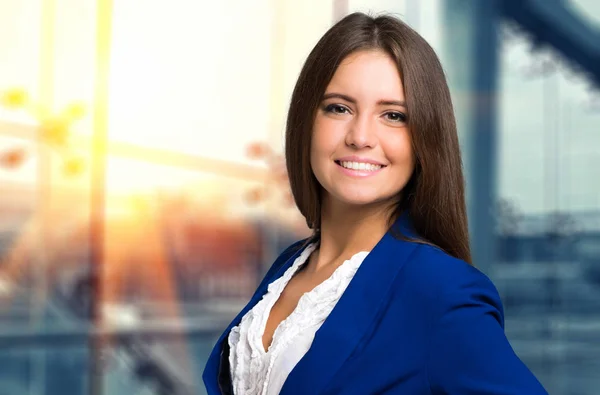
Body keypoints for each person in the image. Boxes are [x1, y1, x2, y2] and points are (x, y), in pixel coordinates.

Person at [203, 12, 548, 395]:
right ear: (306, 119)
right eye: (339, 108)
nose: (361, 136)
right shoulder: (289, 265)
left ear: (425, 140)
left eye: (393, 115)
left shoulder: (442, 292)